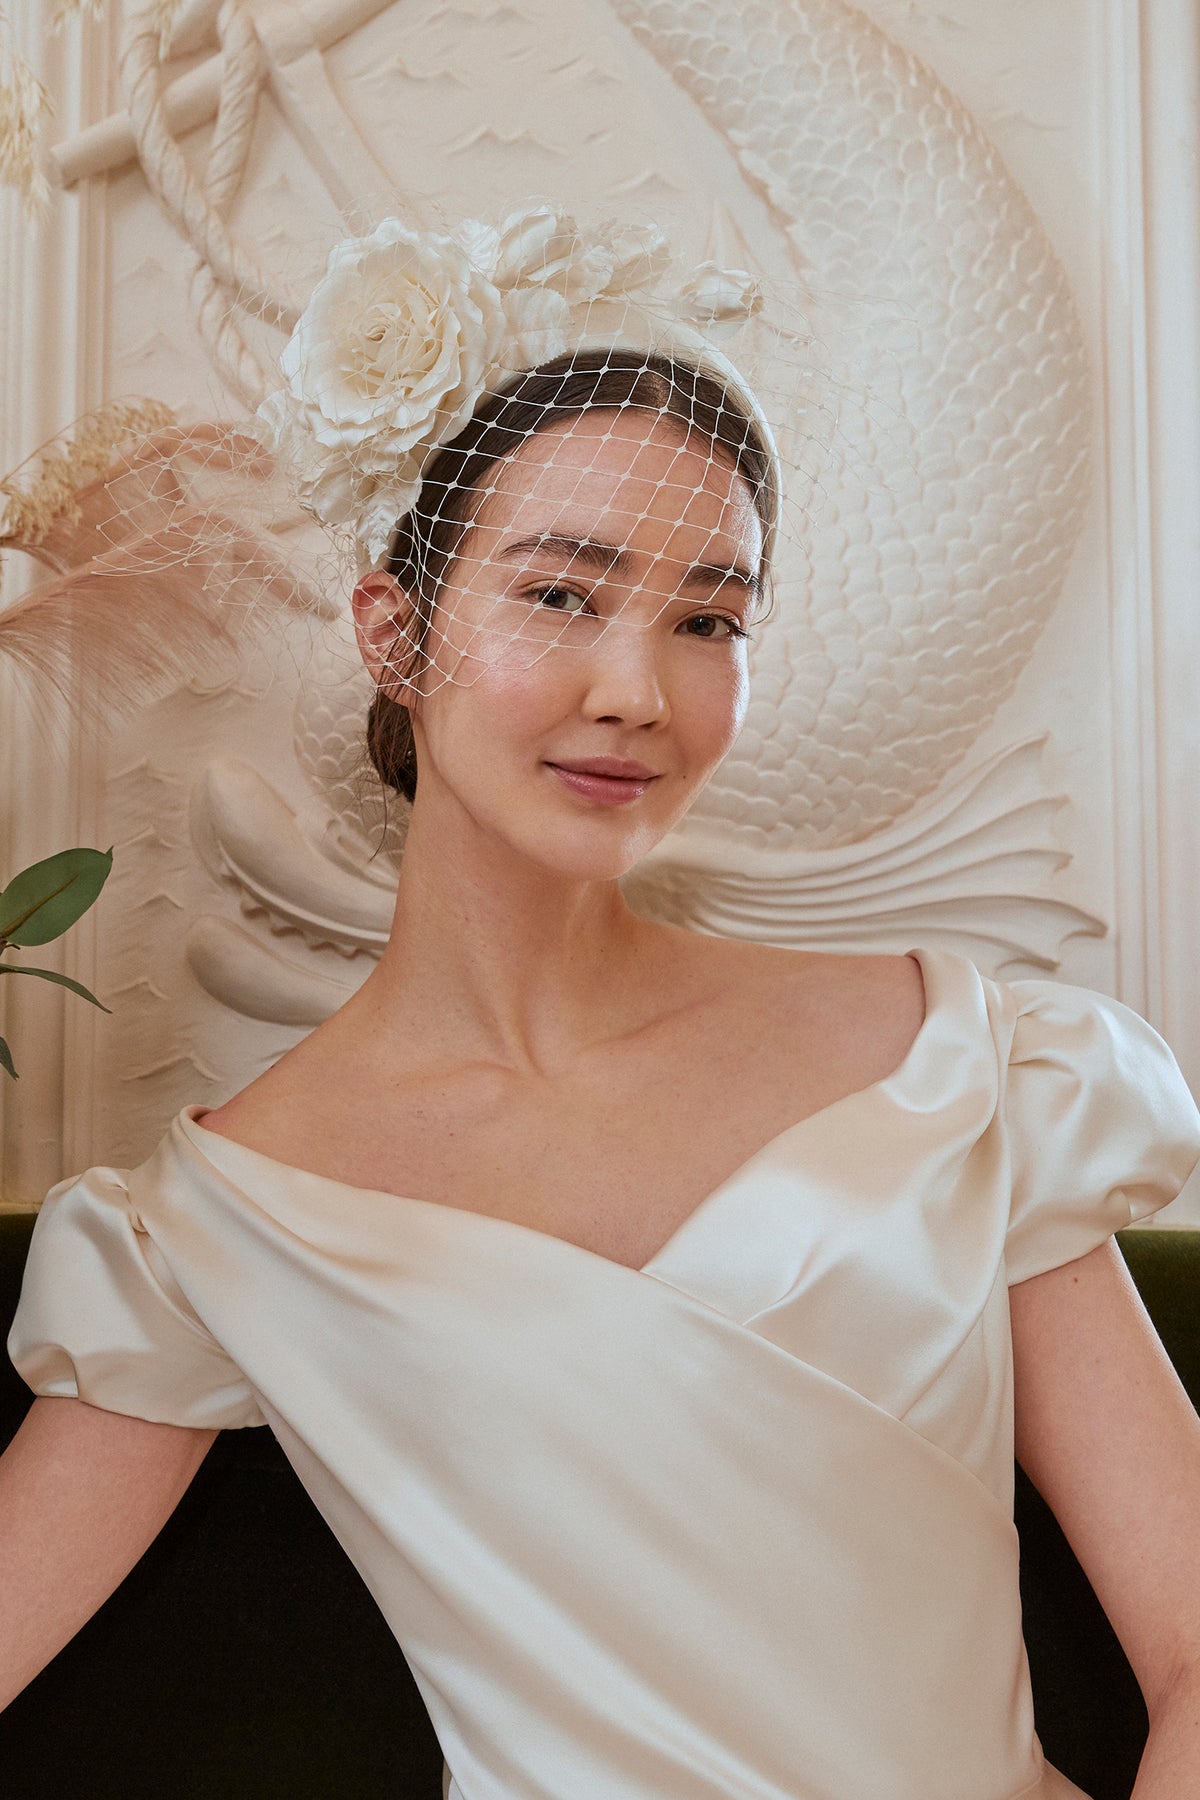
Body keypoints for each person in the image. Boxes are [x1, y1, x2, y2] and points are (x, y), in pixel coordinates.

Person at [3, 207, 1200, 1800]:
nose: (637, 690)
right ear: (394, 631)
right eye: (562, 596)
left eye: (709, 620)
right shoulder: (216, 1224)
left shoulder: (965, 1063)